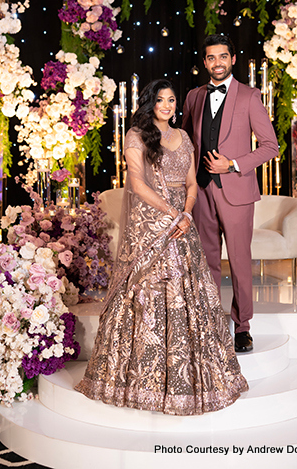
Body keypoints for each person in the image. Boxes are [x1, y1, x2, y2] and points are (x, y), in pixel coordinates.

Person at [75, 79, 248, 415]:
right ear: (150, 103)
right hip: (152, 221)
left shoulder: (183, 137)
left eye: (172, 100)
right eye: (161, 100)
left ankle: (195, 378)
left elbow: (191, 182)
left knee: (193, 291)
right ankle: (141, 380)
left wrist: (186, 211)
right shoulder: (137, 136)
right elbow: (137, 183)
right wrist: (172, 214)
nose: (167, 106)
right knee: (148, 291)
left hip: (182, 220)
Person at [182, 35, 279, 354]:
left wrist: (234, 164)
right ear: (205, 62)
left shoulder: (250, 97)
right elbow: (185, 144)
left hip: (236, 192)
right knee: (206, 261)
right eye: (211, 58)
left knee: (238, 261)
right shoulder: (194, 97)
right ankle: (210, 321)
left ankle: (243, 327)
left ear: (233, 59)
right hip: (201, 191)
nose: (217, 62)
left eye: (223, 56)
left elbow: (270, 147)